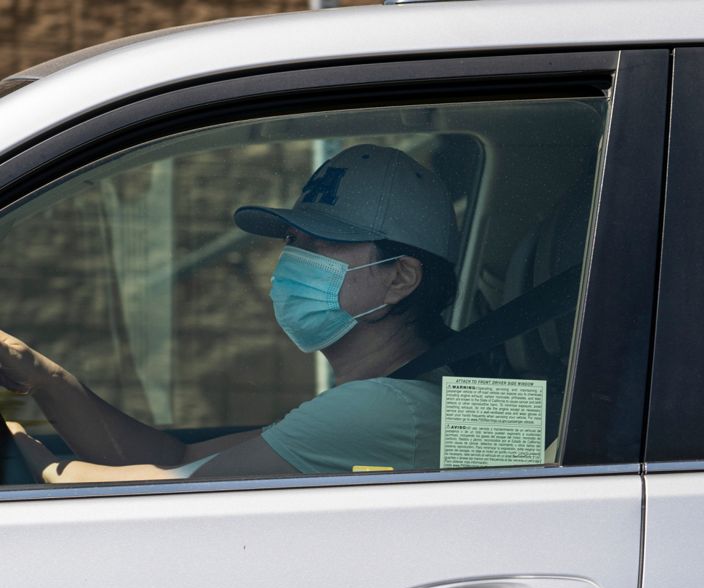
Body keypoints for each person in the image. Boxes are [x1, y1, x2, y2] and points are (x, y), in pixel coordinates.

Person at [1, 144, 458, 483]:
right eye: (293, 240)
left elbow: (167, 491)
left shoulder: (381, 410)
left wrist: (26, 452)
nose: (294, 259)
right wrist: (44, 378)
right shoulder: (395, 398)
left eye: (325, 241)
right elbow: (176, 457)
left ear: (400, 278)